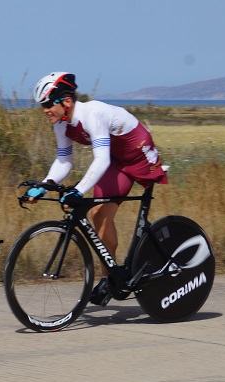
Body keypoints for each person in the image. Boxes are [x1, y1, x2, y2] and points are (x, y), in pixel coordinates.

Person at [25, 72, 167, 306]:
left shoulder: (92, 114)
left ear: (66, 101)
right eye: (42, 105)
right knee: (97, 214)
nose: (45, 109)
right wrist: (45, 185)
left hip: (138, 153)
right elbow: (63, 161)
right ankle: (110, 277)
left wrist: (78, 191)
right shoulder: (61, 124)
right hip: (115, 158)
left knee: (100, 211)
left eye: (48, 104)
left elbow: (100, 160)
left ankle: (136, 263)